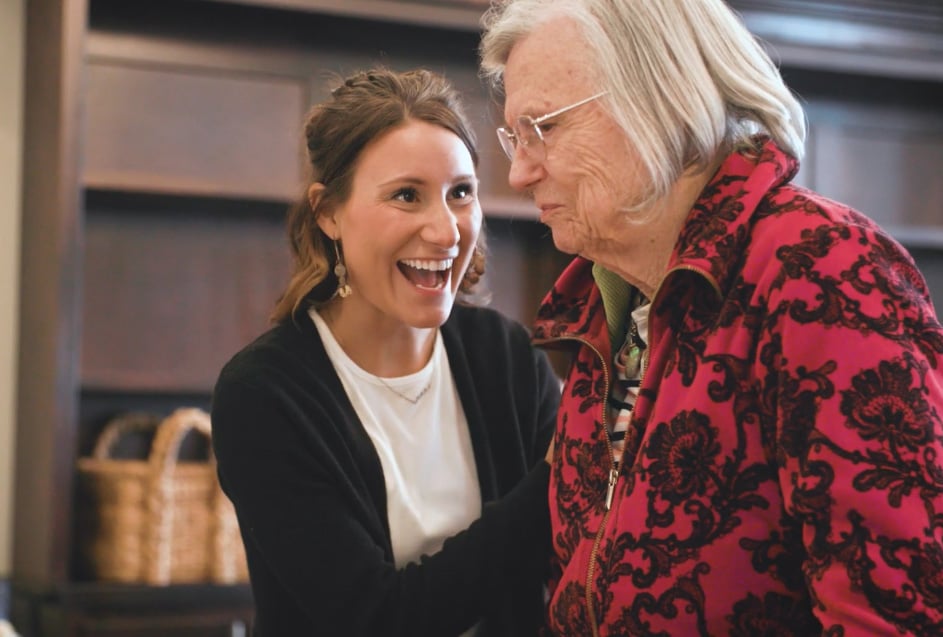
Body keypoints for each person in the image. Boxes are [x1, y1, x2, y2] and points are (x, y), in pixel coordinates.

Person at [479, 1, 943, 635]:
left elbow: (897, 612)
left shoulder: (820, 265)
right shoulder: (600, 312)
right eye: (516, 136)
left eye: (544, 129)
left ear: (657, 100)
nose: (519, 171)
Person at [211, 67, 560, 637]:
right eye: (406, 195)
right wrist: (560, 476)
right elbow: (375, 619)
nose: (446, 231)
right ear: (327, 213)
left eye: (461, 193)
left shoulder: (506, 355)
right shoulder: (264, 392)